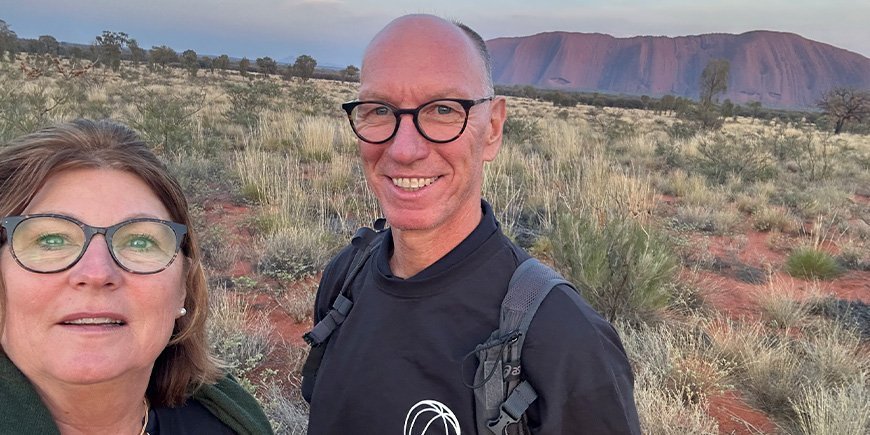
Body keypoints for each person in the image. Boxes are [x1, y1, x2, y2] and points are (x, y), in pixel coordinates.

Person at [305, 14, 641, 435]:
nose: (404, 149)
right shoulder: (345, 279)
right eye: (378, 110)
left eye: (443, 110)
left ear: (493, 128)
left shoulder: (564, 340)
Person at [0, 119, 274, 435]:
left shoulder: (228, 424)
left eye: (140, 242)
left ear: (183, 287)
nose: (97, 273)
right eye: (50, 240)